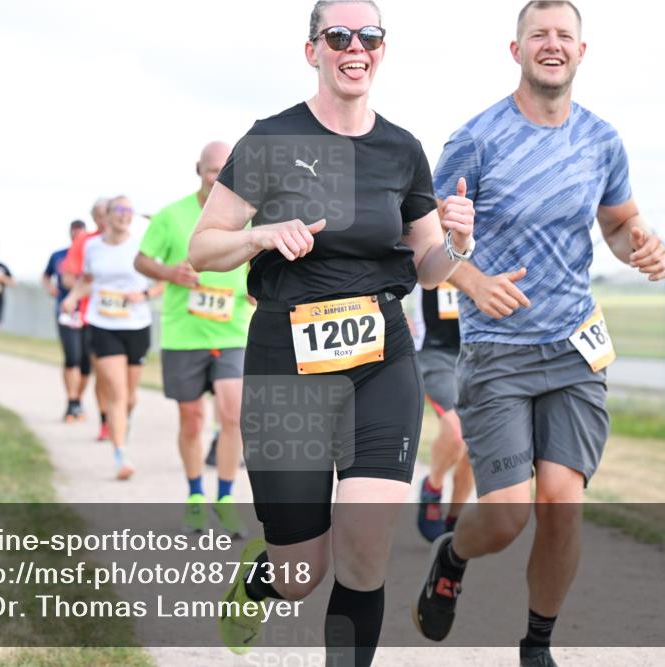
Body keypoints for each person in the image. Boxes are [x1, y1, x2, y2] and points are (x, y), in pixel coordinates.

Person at [187, 1, 476, 662]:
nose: (355, 47)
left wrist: (458, 245)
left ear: (381, 49)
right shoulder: (270, 139)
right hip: (286, 363)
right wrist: (259, 234)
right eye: (338, 35)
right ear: (312, 49)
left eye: (369, 36)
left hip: (381, 359)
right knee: (300, 573)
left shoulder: (402, 149)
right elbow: (203, 249)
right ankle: (261, 580)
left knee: (365, 550)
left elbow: (429, 268)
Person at [411, 3, 665, 666]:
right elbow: (426, 250)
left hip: (575, 346)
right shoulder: (475, 139)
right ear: (516, 49)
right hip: (497, 351)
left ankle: (537, 644)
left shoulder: (601, 140)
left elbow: (619, 222)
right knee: (506, 516)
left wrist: (640, 244)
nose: (551, 45)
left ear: (582, 51)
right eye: (538, 35)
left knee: (562, 504)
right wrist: (470, 274)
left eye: (563, 36)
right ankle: (453, 554)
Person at [135, 141, 252, 538]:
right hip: (184, 334)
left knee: (232, 414)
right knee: (192, 419)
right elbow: (142, 259)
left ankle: (225, 497)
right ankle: (196, 495)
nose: (218, 177)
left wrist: (257, 287)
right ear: (198, 169)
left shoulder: (248, 217)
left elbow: (258, 261)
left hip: (233, 330)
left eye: (225, 169)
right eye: (211, 169)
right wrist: (170, 273)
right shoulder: (171, 215)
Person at [62, 196, 164, 480]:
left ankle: (122, 427)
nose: (124, 215)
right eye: (118, 210)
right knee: (117, 393)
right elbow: (87, 280)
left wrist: (144, 294)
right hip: (103, 323)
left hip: (137, 325)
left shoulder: (143, 247)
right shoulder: (92, 246)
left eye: (128, 210)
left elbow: (162, 282)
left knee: (129, 396)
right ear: (106, 216)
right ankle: (121, 456)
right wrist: (72, 298)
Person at [410, 284, 475, 543]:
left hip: (476, 352)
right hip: (433, 351)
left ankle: (453, 523)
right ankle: (432, 487)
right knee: (457, 433)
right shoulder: (427, 249)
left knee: (475, 443)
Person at [62, 198, 111, 439]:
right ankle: (76, 402)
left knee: (100, 370)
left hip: (113, 317)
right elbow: (68, 277)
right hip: (82, 314)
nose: (102, 220)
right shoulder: (85, 241)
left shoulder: (128, 242)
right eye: (98, 215)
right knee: (76, 360)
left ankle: (105, 418)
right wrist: (81, 291)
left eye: (106, 214)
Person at [44, 220, 93, 422]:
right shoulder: (59, 255)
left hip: (89, 313)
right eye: (74, 232)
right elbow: (46, 276)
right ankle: (71, 401)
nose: (77, 236)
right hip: (67, 312)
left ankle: (78, 400)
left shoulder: (93, 253)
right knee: (72, 357)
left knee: (86, 363)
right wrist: (50, 288)